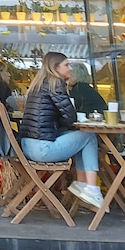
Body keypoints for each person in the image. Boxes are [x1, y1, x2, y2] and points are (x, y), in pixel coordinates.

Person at [19, 51, 104, 211]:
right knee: (88, 136)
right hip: (43, 149)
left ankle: (81, 184)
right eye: (66, 65)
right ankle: (91, 188)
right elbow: (70, 117)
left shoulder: (38, 84)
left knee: (80, 138)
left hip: (28, 147)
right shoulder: (55, 83)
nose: (70, 68)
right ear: (55, 67)